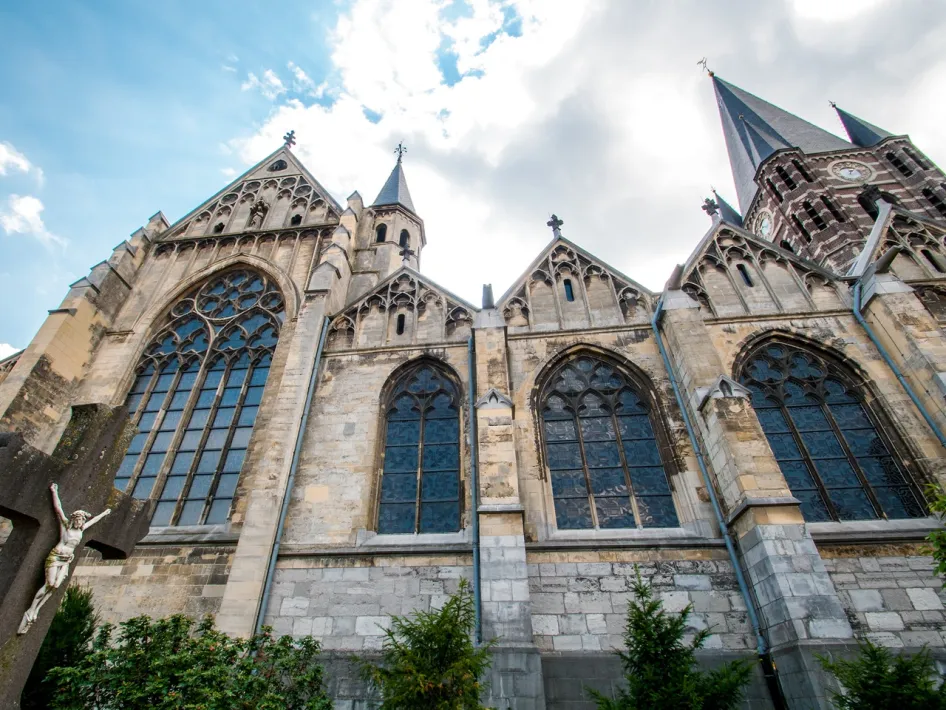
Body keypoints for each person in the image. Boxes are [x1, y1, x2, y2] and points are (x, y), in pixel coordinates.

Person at [17, 483, 110, 634]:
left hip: (66, 561)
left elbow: (93, 521)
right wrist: (54, 491)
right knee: (49, 584)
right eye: (78, 520)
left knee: (55, 586)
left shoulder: (81, 530)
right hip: (55, 558)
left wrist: (104, 513)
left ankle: (36, 610)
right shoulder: (66, 526)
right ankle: (31, 610)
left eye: (81, 520)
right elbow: (58, 508)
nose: (80, 522)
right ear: (74, 519)